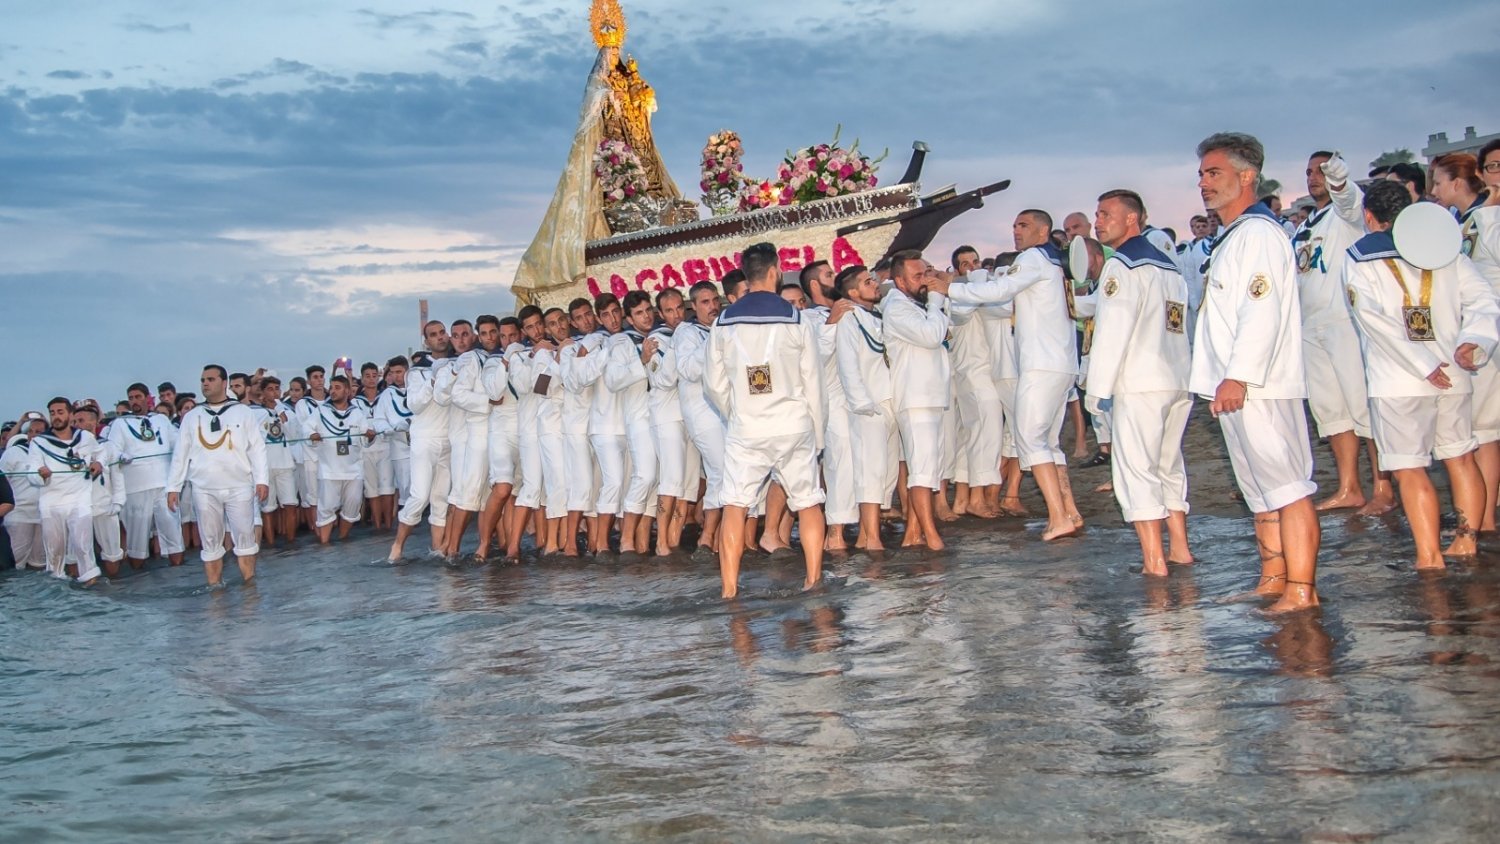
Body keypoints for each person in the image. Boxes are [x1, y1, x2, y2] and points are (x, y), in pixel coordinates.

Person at [1193, 131, 1320, 613]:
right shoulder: (1234, 235)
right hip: (1236, 385)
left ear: (1247, 176)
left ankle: (1302, 589)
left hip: (1259, 386)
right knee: (1260, 491)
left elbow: (1260, 311)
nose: (1204, 183)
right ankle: (1274, 578)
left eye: (1214, 172)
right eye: (1202, 174)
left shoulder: (1260, 234)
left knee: (1288, 487)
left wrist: (1239, 375)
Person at [1343, 179, 1500, 569]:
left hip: (1397, 379)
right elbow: (1485, 301)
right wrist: (1475, 342)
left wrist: (1421, 364)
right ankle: (1466, 542)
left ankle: (1429, 556)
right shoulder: (1447, 251)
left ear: (1369, 216)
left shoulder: (1359, 257)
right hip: (1454, 367)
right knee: (1461, 457)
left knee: (1410, 468)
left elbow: (1373, 322)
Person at [949, 210, 1084, 541]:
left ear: (1042, 231)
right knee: (1048, 443)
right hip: (1062, 364)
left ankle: (1057, 516)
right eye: (1013, 225)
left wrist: (950, 289)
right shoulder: (1055, 266)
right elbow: (1006, 304)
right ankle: (1068, 511)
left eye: (1023, 225)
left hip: (1041, 365)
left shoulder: (1035, 258)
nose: (1015, 231)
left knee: (1029, 439)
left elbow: (999, 293)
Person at [705, 241, 826, 598]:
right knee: (807, 502)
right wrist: (818, 435)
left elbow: (712, 384)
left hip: (748, 426)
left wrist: (736, 412)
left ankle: (729, 589)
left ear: (747, 275)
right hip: (793, 423)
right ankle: (813, 579)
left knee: (735, 504)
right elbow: (813, 382)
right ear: (775, 271)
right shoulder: (796, 317)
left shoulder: (723, 322)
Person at [1085, 189, 1194, 575]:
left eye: (1105, 214)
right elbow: (1179, 322)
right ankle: (1179, 548)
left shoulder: (1122, 266)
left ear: (1132, 218)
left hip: (1141, 378)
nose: (1098, 221)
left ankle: (1154, 561)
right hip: (1176, 375)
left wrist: (1096, 389)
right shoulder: (1168, 265)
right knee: (1168, 465)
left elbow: (1114, 331)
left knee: (1136, 469)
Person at [1295, 151, 1392, 514]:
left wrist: (1334, 169)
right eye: (1308, 173)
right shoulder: (1308, 224)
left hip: (1343, 321)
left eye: (1319, 172)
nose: (1313, 178)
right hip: (1312, 323)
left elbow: (1348, 195)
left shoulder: (1345, 213)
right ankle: (1350, 486)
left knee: (1363, 407)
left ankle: (1383, 487)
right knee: (1332, 412)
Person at [1432, 152, 1500, 531]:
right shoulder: (1468, 219)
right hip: (1471, 330)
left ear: (1457, 183)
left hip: (1488, 332)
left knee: (1485, 430)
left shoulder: (1489, 218)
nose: (1435, 191)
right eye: (1490, 168)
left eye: (1439, 182)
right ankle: (1482, 512)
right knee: (1481, 430)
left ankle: (1485, 519)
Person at [166, 365, 269, 586]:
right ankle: (216, 594)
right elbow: (181, 454)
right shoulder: (192, 416)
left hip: (239, 485)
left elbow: (257, 448)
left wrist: (262, 480)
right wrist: (173, 487)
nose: (205, 383)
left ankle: (249, 591)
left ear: (224, 383)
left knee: (245, 540)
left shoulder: (243, 412)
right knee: (210, 543)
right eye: (203, 379)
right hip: (204, 488)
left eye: (211, 379)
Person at [882, 250, 954, 550]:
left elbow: (948, 327)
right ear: (899, 280)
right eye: (917, 275)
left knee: (928, 469)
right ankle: (931, 536)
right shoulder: (897, 308)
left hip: (930, 396)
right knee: (923, 471)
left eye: (926, 273)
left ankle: (914, 532)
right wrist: (937, 301)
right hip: (915, 398)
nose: (925, 280)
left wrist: (940, 297)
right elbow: (931, 336)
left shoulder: (918, 304)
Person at [835, 265, 901, 550]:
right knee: (870, 471)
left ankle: (865, 534)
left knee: (887, 472)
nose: (875, 284)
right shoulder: (850, 320)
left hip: (889, 401)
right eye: (867, 282)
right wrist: (863, 404)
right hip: (868, 405)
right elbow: (848, 365)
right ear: (852, 292)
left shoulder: (879, 315)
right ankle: (872, 537)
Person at [389, 321, 454, 560]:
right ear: (426, 341)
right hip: (424, 438)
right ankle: (397, 546)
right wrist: (433, 381)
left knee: (441, 498)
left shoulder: (457, 362)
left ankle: (437, 551)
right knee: (419, 496)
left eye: (441, 333)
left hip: (449, 438)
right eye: (433, 335)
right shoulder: (417, 371)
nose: (439, 338)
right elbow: (414, 404)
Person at [443, 315, 505, 557]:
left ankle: (490, 546)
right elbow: (458, 394)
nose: (490, 337)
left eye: (494, 332)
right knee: (468, 493)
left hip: (499, 431)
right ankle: (453, 551)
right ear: (479, 336)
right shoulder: (471, 358)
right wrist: (487, 401)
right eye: (485, 333)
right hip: (478, 433)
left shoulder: (500, 357)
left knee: (494, 493)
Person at [104, 382, 184, 569]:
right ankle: (138, 582)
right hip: (135, 489)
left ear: (147, 398)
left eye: (138, 397)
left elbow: (178, 443)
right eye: (131, 398)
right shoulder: (119, 424)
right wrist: (121, 456)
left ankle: (179, 575)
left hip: (163, 486)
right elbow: (112, 450)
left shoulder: (161, 420)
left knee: (173, 535)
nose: (134, 401)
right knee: (137, 542)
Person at [673, 281, 728, 555]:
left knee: (723, 474)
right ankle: (707, 538)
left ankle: (716, 538)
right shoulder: (687, 332)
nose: (713, 306)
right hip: (702, 413)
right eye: (705, 302)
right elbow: (688, 369)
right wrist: (716, 338)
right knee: (721, 474)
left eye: (715, 300)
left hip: (724, 412)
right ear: (692, 307)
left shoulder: (718, 329)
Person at [28, 398, 106, 584]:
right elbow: (31, 472)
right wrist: (41, 475)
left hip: (80, 499)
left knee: (83, 547)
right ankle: (57, 596)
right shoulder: (39, 442)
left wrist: (98, 463)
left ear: (70, 415)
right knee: (55, 552)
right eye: (53, 413)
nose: (56, 416)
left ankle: (92, 591)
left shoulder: (86, 437)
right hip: (51, 502)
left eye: (60, 412)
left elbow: (101, 452)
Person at [608, 291, 659, 554]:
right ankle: (626, 538)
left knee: (656, 480)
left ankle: (641, 543)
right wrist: (642, 360)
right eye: (639, 312)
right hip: (638, 416)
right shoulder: (621, 342)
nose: (646, 315)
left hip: (659, 414)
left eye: (648, 309)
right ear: (628, 318)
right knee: (644, 475)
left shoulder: (659, 336)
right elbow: (613, 380)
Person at [76, 404, 127, 577]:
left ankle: (114, 587)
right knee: (76, 553)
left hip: (104, 506)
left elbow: (117, 476)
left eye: (81, 421)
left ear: (93, 422)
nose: (77, 425)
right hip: (80, 508)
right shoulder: (70, 448)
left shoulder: (108, 446)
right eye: (74, 421)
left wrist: (118, 501)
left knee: (112, 552)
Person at [255, 376, 301, 548]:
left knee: (290, 504)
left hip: (285, 463)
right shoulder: (256, 413)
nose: (274, 392)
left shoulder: (288, 413)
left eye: (277, 388)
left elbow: (295, 437)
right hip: (266, 466)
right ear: (263, 392)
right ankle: (272, 544)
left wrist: (282, 415)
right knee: (268, 508)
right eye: (270, 389)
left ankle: (290, 542)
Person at [1, 413, 47, 570]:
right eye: (31, 431)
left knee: (39, 564)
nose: (33, 435)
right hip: (18, 514)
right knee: (15, 563)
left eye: (39, 432)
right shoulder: (13, 452)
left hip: (43, 515)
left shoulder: (54, 454)